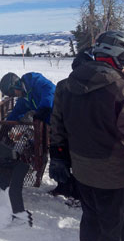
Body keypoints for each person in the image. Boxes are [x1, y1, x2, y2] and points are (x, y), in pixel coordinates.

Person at [49, 30, 124, 241]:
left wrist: (59, 156)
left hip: (83, 172)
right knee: (116, 228)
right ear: (119, 56)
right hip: (116, 177)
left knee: (91, 222)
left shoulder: (65, 87)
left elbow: (57, 128)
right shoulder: (123, 90)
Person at [49, 48, 94, 200]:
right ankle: (69, 189)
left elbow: (56, 120)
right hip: (77, 137)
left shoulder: (63, 86)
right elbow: (56, 119)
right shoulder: (63, 87)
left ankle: (74, 191)